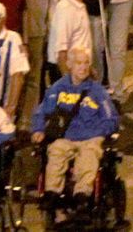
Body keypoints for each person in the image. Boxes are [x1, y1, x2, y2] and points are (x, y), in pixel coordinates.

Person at [31, 48, 118, 204]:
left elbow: (111, 118)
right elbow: (42, 112)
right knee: (56, 151)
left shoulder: (97, 91)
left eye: (86, 63)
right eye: (78, 63)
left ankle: (82, 195)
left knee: (88, 156)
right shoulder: (57, 88)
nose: (83, 67)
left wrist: (98, 132)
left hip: (90, 138)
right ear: (69, 64)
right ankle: (52, 193)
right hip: (66, 137)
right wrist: (38, 129)